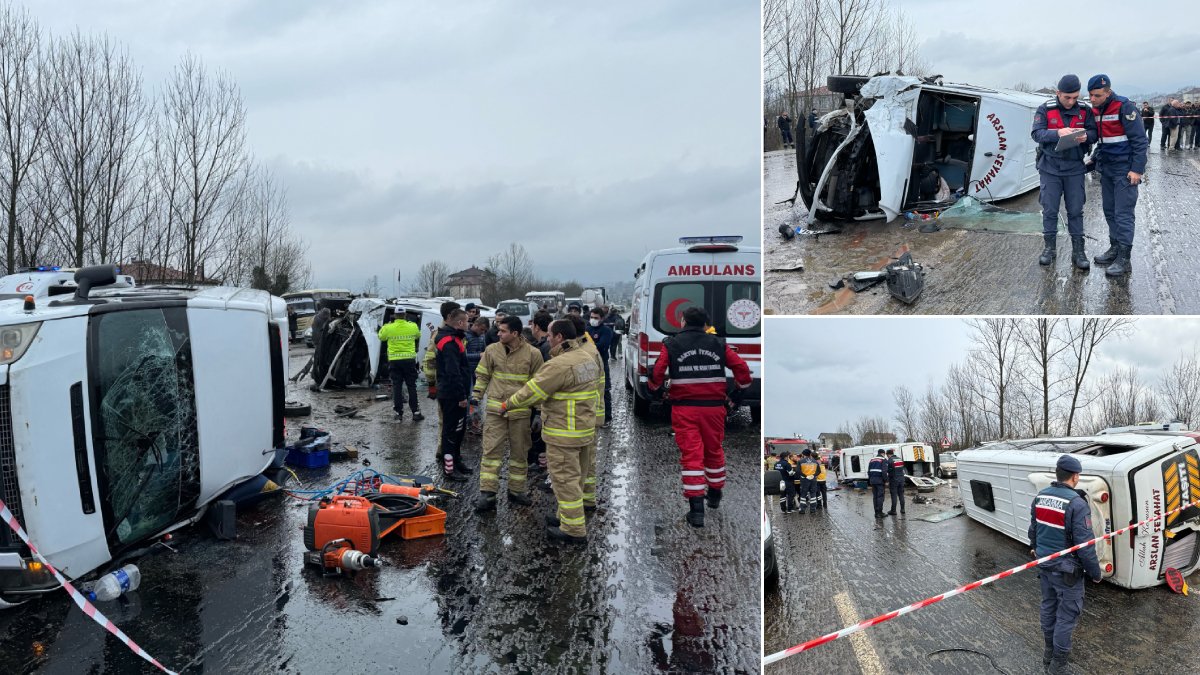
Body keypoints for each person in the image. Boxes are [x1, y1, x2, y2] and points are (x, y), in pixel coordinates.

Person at [647, 307, 752, 528]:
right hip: (714, 409)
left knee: (691, 455)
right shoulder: (719, 344)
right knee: (714, 450)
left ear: (682, 321)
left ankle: (696, 512)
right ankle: (714, 495)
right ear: (706, 324)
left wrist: (656, 390)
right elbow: (742, 369)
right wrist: (737, 393)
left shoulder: (671, 344)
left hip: (684, 409)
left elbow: (657, 373)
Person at [502, 319, 601, 544]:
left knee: (565, 481)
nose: (546, 339)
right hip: (583, 430)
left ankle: (573, 531)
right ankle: (565, 518)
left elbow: (532, 392)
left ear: (558, 337)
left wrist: (508, 404)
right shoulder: (588, 357)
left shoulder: (559, 364)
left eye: (548, 336)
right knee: (578, 478)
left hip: (563, 431)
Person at [1028, 454, 1102, 674]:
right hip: (1067, 573)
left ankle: (1048, 655)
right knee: (1066, 616)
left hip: (1045, 567)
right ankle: (1058, 666)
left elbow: (1034, 529)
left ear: (1057, 474)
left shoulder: (1040, 497)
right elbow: (1085, 545)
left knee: (1048, 608)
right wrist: (1095, 573)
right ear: (1075, 476)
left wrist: (1034, 547)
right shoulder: (1077, 504)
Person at [472, 316, 544, 512]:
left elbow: (538, 385)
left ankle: (516, 490)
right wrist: (475, 399)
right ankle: (487, 494)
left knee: (520, 453)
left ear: (515, 333)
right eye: (498, 330)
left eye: (503, 331)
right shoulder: (491, 350)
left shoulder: (533, 354)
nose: (498, 334)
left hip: (520, 414)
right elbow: (482, 376)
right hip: (496, 412)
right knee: (490, 453)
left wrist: (538, 412)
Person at [1030, 74, 1096, 269]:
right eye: (1067, 97)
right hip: (1050, 167)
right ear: (1058, 93)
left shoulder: (1085, 110)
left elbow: (1094, 132)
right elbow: (1036, 133)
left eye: (1075, 97)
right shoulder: (1045, 109)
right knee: (1050, 210)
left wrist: (1086, 136)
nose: (1071, 101)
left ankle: (1078, 251)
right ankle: (1049, 248)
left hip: (1075, 167)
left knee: (1075, 210)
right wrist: (1057, 132)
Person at [1086, 74, 1148, 277]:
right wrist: (1094, 159)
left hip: (1124, 169)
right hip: (1107, 169)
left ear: (1108, 92)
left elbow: (1140, 140)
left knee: (1123, 214)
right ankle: (1114, 248)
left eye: (1097, 95)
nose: (1092, 99)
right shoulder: (1096, 110)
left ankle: (1124, 258)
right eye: (1090, 95)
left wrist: (1137, 169)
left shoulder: (1125, 107)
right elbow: (1103, 141)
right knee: (1110, 211)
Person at [435, 308, 472, 482]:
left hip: (455, 393)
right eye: (466, 321)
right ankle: (449, 469)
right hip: (451, 395)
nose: (468, 324)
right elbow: (453, 372)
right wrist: (461, 396)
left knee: (459, 429)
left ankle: (456, 461)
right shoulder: (449, 341)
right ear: (459, 323)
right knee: (450, 432)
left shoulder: (456, 338)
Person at [377, 309, 424, 421]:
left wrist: (386, 325)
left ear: (395, 315)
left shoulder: (389, 327)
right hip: (409, 360)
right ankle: (416, 412)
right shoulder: (412, 326)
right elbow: (418, 335)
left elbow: (381, 337)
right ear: (405, 315)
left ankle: (398, 413)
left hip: (395, 360)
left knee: (397, 386)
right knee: (411, 385)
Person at [586, 307, 614, 422]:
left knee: (605, 390)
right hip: (588, 364)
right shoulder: (586, 329)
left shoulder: (606, 330)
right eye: (591, 317)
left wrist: (588, 346)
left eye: (596, 318)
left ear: (602, 318)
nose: (593, 320)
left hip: (601, 364)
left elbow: (602, 345)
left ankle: (607, 417)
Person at [868, 449, 888, 518]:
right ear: (883, 453)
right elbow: (884, 472)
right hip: (880, 481)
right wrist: (886, 480)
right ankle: (880, 513)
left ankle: (876, 513)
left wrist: (870, 480)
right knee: (880, 496)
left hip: (873, 481)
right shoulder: (883, 460)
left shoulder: (872, 460)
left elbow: (869, 471)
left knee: (875, 497)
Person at [885, 448, 905, 516]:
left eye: (887, 455)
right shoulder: (900, 459)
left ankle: (893, 511)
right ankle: (903, 509)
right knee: (901, 495)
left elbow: (888, 471)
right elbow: (902, 469)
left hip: (894, 480)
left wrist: (887, 479)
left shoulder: (890, 460)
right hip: (901, 479)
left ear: (888, 454)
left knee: (894, 495)